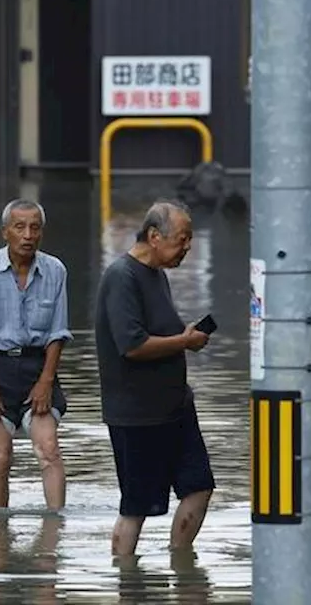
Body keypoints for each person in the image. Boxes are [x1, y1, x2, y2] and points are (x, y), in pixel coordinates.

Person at [95, 199, 214, 557]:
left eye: (189, 239)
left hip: (175, 405)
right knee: (136, 507)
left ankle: (181, 562)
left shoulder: (158, 275)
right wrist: (184, 341)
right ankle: (127, 583)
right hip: (136, 413)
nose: (187, 247)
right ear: (154, 236)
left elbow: (162, 331)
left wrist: (185, 336)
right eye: (182, 239)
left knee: (199, 487)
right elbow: (132, 345)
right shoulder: (122, 276)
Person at [0, 198, 71, 511]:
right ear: (5, 232)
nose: (28, 235)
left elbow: (58, 333)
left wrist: (46, 381)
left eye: (35, 228)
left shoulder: (55, 271)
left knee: (48, 449)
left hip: (38, 367)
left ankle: (54, 532)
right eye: (19, 227)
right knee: (0, 454)